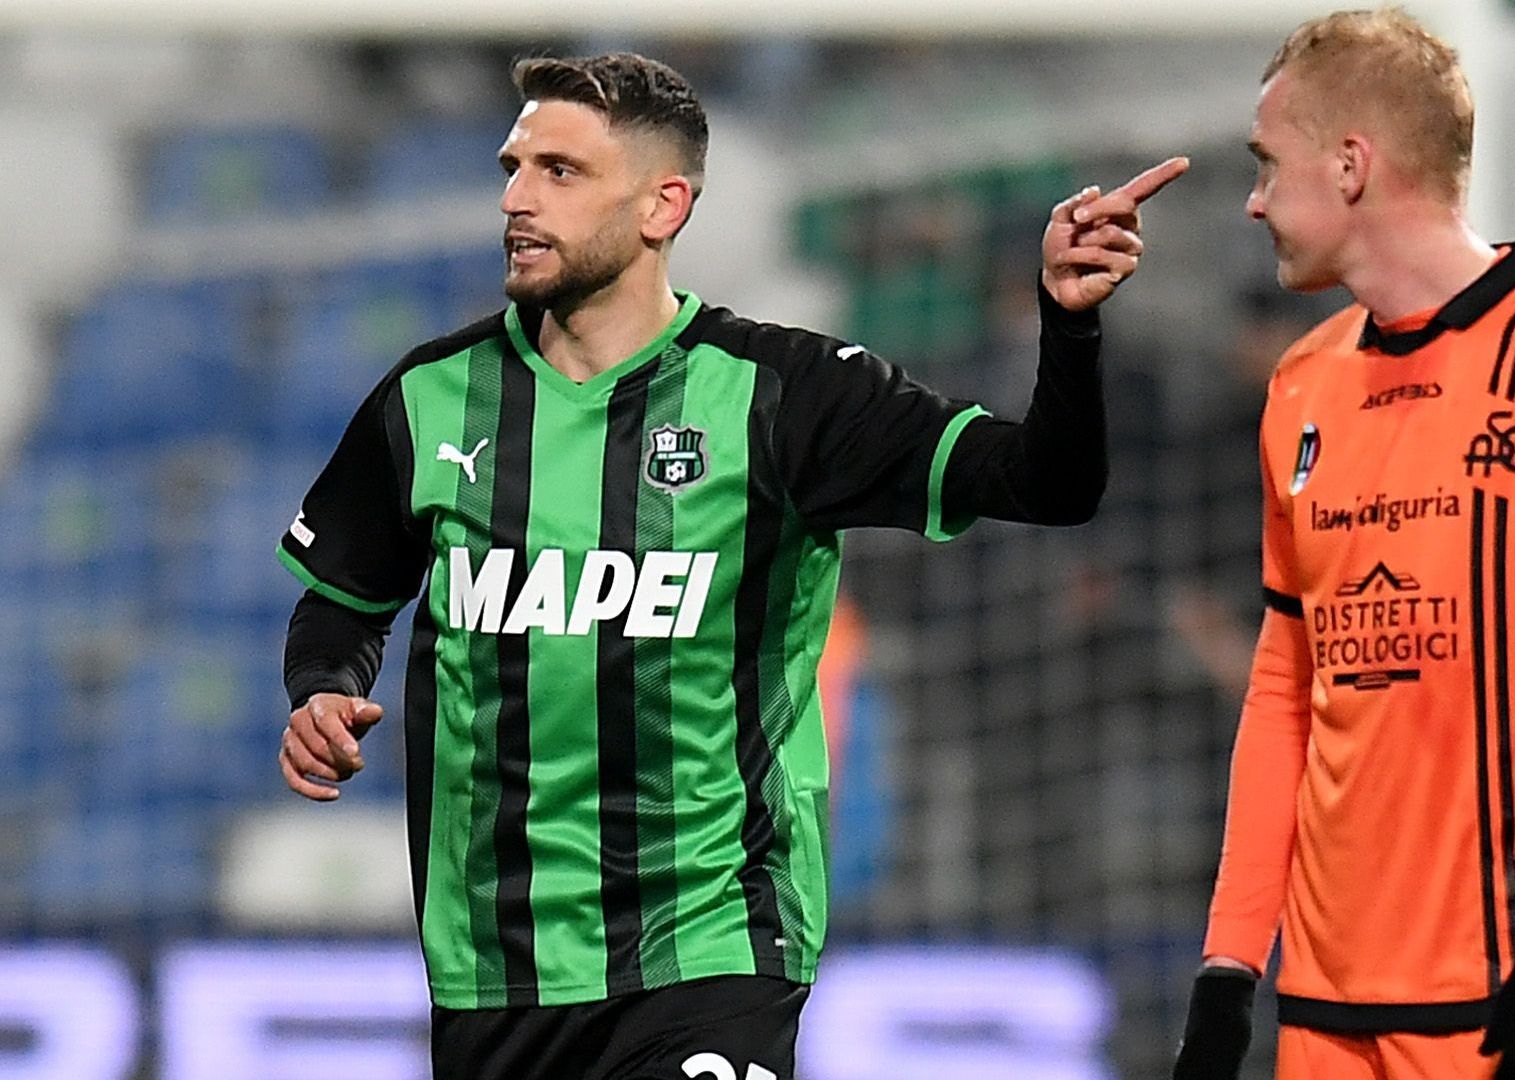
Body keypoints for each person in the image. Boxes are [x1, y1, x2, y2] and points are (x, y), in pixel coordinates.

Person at [273, 52, 1186, 1080]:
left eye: (560, 172)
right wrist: (322, 691)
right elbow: (344, 600)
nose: (517, 200)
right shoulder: (434, 398)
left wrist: (1068, 327)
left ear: (665, 205)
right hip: (496, 971)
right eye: (513, 166)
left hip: (710, 945)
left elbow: (1046, 484)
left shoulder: (787, 395)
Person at [1170, 10, 1515, 1080]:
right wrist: (1230, 966)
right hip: (1326, 1010)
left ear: (1352, 165)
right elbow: (1284, 692)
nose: (1255, 199)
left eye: (1270, 165)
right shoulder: (1301, 387)